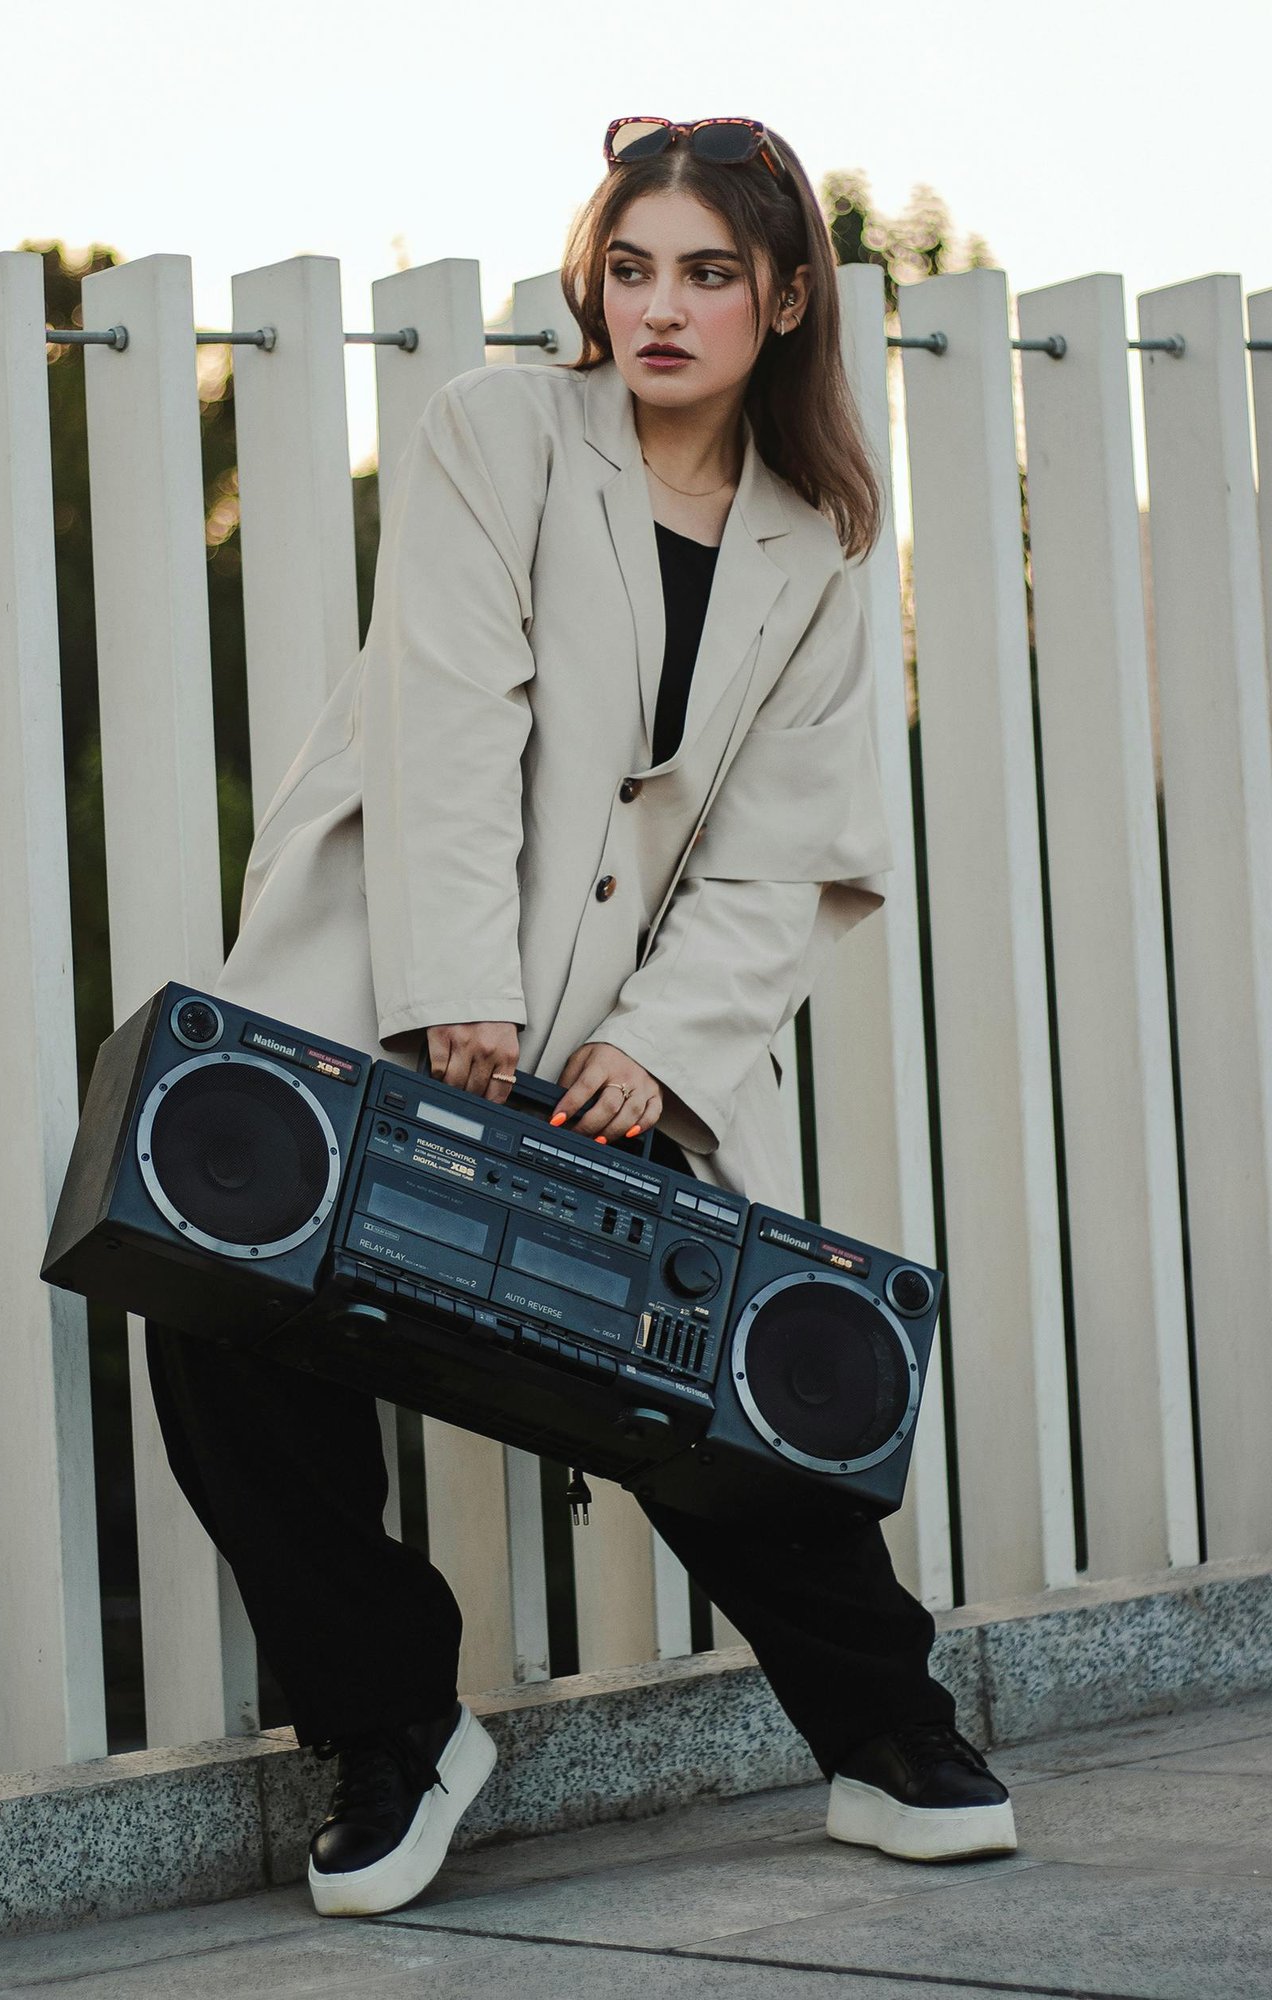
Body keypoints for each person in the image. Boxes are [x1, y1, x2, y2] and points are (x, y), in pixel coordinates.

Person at [144, 113, 1016, 1919]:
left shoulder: (821, 538)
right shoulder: (499, 434)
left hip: (626, 1045)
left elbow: (785, 845)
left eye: (706, 274)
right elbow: (450, 709)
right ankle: (388, 1729)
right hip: (387, 987)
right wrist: (459, 992)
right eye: (631, 269)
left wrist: (658, 1052)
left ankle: (888, 1734)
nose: (660, 309)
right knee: (229, 1324)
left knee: (697, 1364)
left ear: (786, 299)